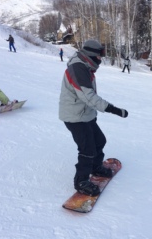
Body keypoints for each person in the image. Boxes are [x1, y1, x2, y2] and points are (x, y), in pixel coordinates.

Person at [59, 39, 128, 196]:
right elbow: (88, 95)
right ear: (91, 55)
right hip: (74, 116)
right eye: (99, 56)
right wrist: (113, 109)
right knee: (87, 148)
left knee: (99, 141)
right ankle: (81, 181)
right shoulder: (77, 68)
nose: (100, 59)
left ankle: (95, 167)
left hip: (86, 114)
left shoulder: (85, 67)